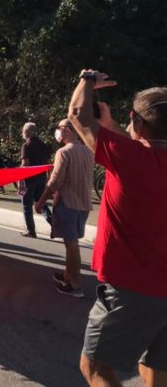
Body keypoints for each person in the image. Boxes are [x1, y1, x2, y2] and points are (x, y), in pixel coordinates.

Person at [66, 70, 167, 387]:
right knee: (156, 369)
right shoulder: (131, 154)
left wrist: (87, 81)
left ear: (137, 123)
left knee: (96, 367)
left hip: (132, 289)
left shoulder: (128, 158)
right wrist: (112, 127)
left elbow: (77, 117)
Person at [34, 119, 94, 298]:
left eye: (59, 129)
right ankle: (67, 274)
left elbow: (55, 181)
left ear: (67, 130)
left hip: (68, 203)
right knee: (71, 243)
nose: (58, 132)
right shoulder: (88, 151)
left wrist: (41, 201)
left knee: (71, 244)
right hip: (83, 204)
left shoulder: (63, 152)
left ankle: (75, 285)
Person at [20, 122, 52, 238]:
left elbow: (25, 164)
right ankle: (53, 223)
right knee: (40, 202)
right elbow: (49, 164)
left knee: (26, 205)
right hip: (41, 178)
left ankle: (31, 230)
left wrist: (20, 179)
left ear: (26, 132)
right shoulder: (44, 145)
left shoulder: (26, 146)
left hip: (29, 179)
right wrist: (49, 178)